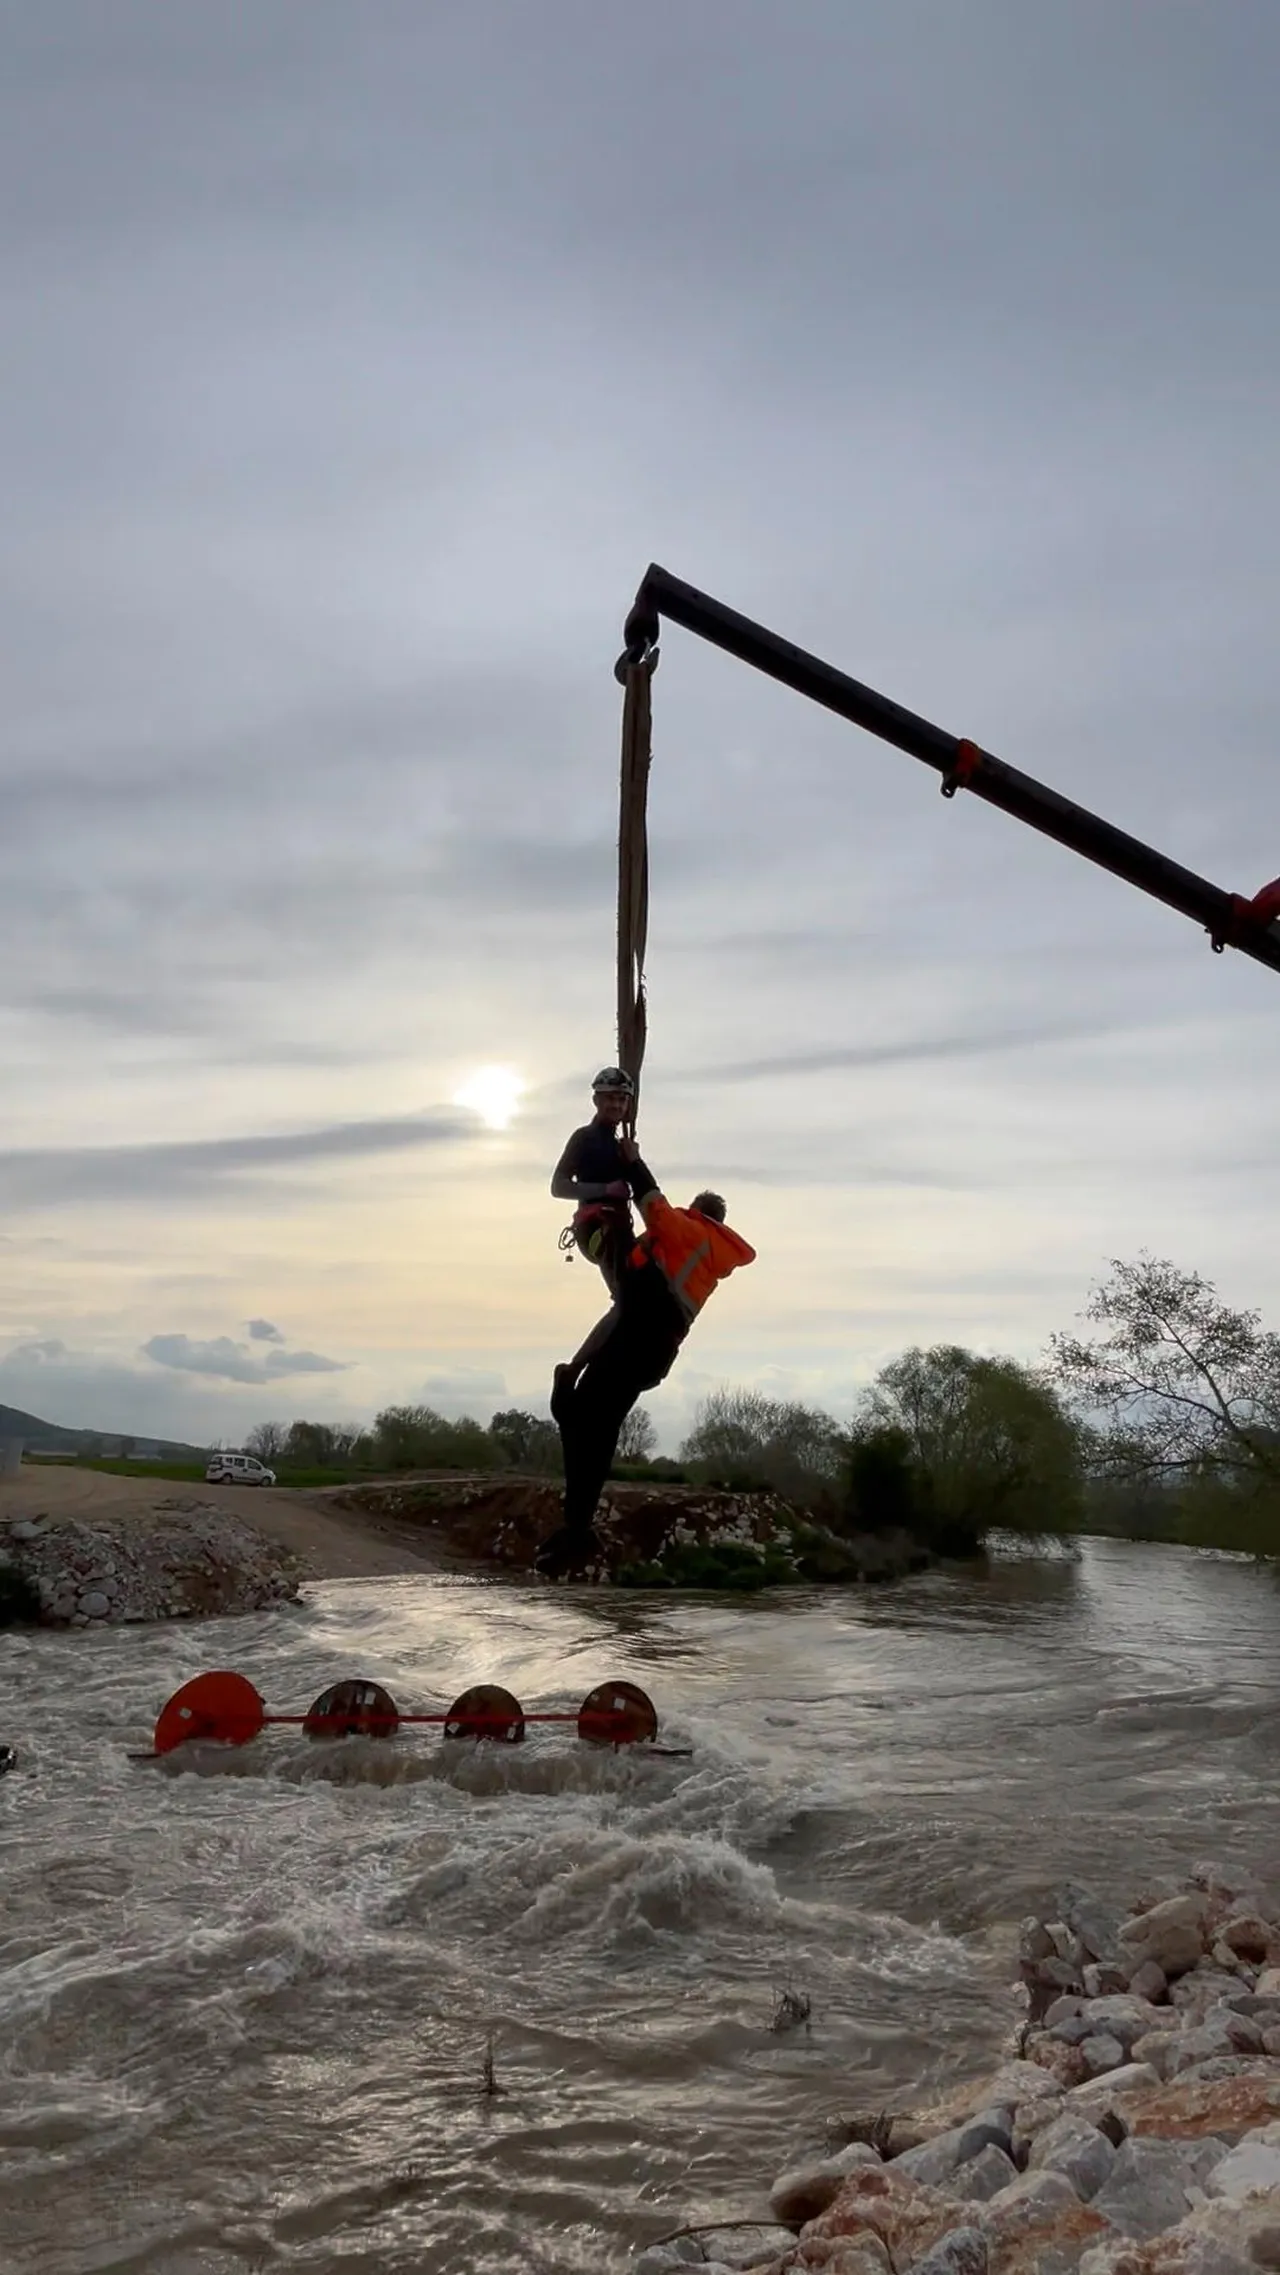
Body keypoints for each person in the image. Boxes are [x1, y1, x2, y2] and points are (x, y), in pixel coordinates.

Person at [536, 1141, 756, 1578]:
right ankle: (576, 1526)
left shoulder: (686, 1230)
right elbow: (636, 1281)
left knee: (582, 1419)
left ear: (698, 1212)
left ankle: (576, 1529)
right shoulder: (708, 1259)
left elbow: (651, 1198)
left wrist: (633, 1160)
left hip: (637, 1336)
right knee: (600, 1425)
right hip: (653, 1352)